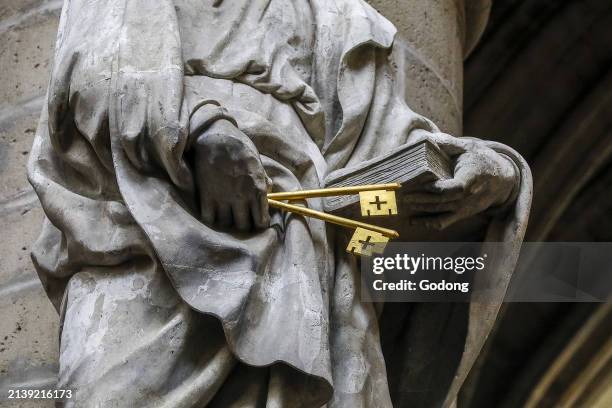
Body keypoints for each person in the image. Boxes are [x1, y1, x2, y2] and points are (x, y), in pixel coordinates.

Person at [28, 0, 531, 406]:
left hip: (305, 257)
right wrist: (201, 129)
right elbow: (93, 72)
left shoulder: (344, 18)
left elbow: (386, 142)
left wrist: (494, 172)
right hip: (154, 226)